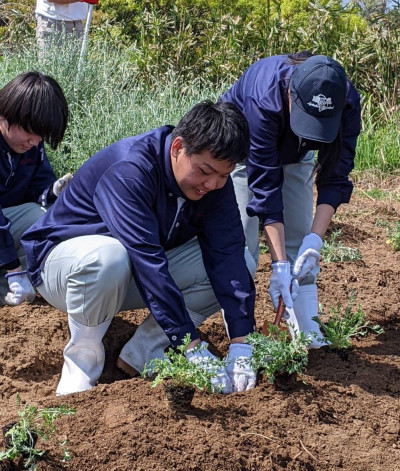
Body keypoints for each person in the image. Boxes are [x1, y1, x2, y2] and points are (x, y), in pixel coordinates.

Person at [21, 101, 258, 396]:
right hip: (64, 270)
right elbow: (148, 262)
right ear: (178, 148)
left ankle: (145, 350)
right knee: (109, 258)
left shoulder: (212, 186)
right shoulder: (131, 169)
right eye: (205, 171)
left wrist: (241, 342)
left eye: (224, 175)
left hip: (124, 274)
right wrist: (192, 346)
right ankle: (82, 361)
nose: (211, 184)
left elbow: (228, 256)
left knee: (243, 262)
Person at [221, 53, 361, 347]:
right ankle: (242, 337)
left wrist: (315, 241)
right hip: (243, 153)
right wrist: (278, 265)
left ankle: (307, 331)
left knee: (299, 240)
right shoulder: (264, 95)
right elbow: (265, 188)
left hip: (297, 151)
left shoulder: (346, 99)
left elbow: (335, 176)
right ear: (291, 94)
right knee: (239, 245)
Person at [0, 71, 72, 306]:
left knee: (44, 219)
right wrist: (13, 267)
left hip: (5, 226)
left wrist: (52, 191)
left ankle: (9, 293)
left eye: (40, 136)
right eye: (30, 132)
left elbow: (37, 187)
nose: (35, 142)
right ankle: (13, 278)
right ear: (6, 113)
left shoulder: (30, 146)